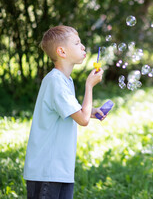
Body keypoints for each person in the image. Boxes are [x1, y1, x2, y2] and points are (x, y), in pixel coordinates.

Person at [24, 25, 107, 199]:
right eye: (77, 43)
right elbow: (82, 120)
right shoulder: (56, 82)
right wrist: (89, 86)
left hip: (59, 170)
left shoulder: (64, 81)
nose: (83, 46)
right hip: (47, 171)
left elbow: (75, 111)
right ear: (62, 51)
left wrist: (93, 111)